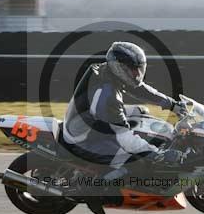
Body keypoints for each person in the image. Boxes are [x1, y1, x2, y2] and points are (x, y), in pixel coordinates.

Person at [62, 41, 186, 176]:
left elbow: (141, 89)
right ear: (119, 67)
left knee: (141, 111)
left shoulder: (108, 72)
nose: (137, 74)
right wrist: (156, 154)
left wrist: (172, 104)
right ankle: (96, 190)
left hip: (91, 119)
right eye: (133, 69)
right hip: (83, 139)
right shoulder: (108, 95)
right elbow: (124, 138)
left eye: (139, 69)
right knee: (136, 163)